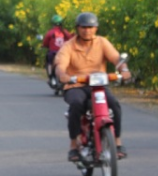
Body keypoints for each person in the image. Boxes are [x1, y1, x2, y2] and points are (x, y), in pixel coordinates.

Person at [54, 12, 131, 162]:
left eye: (91, 27)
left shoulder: (102, 42)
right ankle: (73, 146)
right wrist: (63, 75)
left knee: (114, 104)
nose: (87, 30)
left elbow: (116, 59)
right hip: (76, 85)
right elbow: (60, 65)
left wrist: (124, 70)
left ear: (96, 29)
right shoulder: (68, 46)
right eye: (83, 27)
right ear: (77, 28)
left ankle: (117, 143)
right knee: (76, 104)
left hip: (98, 86)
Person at [42, 14, 73, 84]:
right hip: (64, 53)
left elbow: (45, 43)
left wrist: (44, 45)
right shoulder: (64, 32)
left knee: (49, 62)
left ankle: (50, 76)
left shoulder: (50, 32)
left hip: (53, 53)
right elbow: (71, 39)